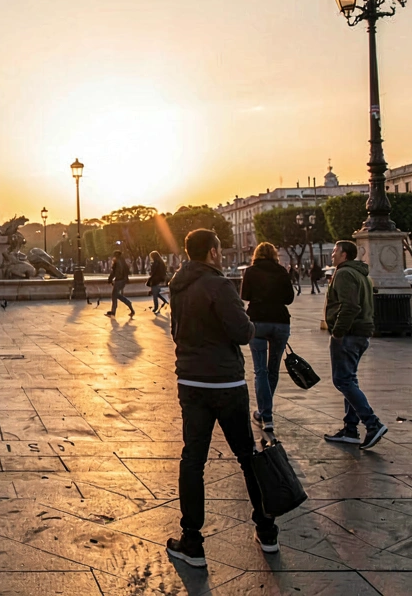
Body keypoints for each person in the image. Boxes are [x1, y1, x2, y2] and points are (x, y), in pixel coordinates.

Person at [165, 229, 277, 569]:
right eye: (219, 250)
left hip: (190, 379)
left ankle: (192, 541)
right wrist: (248, 324)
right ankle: (266, 528)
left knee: (193, 460)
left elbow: (175, 331)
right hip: (225, 382)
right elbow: (242, 332)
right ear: (213, 253)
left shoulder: (178, 285)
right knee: (247, 456)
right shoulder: (219, 284)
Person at [322, 240, 388, 451]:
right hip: (362, 332)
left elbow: (350, 306)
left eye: (335, 251)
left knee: (342, 380)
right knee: (350, 379)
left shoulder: (344, 274)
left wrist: (338, 332)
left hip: (349, 334)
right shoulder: (361, 274)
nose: (332, 254)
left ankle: (372, 423)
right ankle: (350, 429)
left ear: (344, 255)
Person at [240, 244, 295, 432]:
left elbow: (244, 295)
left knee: (260, 371)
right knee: (273, 370)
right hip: (280, 321)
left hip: (258, 321)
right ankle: (265, 411)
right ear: (274, 255)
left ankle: (266, 414)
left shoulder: (250, 271)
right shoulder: (281, 271)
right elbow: (289, 299)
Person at [105, 250, 134, 318]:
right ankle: (129, 306)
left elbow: (115, 272)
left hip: (119, 281)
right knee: (117, 295)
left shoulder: (117, 262)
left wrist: (110, 279)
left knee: (114, 296)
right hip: (122, 281)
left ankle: (113, 312)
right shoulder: (123, 262)